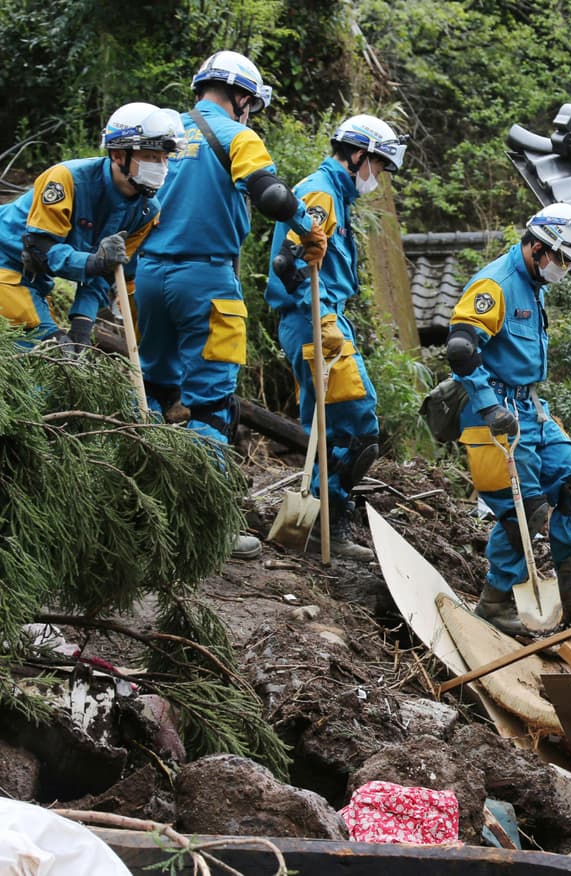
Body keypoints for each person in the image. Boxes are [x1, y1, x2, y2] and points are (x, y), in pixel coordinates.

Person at [133, 50, 327, 561]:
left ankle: (138, 512)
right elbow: (271, 196)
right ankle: (204, 529)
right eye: (251, 104)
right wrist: (308, 227)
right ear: (242, 97)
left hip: (147, 275)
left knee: (153, 390)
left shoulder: (162, 129)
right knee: (211, 404)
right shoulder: (239, 137)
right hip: (206, 279)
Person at [446, 203, 571, 636]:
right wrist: (489, 406)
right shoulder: (496, 284)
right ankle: (495, 602)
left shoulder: (535, 284)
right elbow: (461, 347)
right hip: (492, 408)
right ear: (538, 247)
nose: (565, 269)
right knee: (525, 511)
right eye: (563, 260)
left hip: (530, 406)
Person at [265, 114, 408, 561]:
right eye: (378, 165)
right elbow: (288, 263)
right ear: (359, 155)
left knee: (328, 426)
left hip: (323, 317)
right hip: (314, 317)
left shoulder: (337, 195)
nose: (378, 176)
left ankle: (317, 520)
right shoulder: (322, 192)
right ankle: (330, 519)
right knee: (358, 424)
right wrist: (320, 319)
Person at [0, 102, 183, 348]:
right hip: (7, 263)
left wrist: (83, 322)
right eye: (150, 156)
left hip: (35, 280)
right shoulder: (67, 179)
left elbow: (108, 272)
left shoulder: (147, 211)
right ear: (118, 155)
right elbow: (38, 252)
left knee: (66, 349)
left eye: (164, 159)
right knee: (47, 348)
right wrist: (93, 262)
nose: (160, 167)